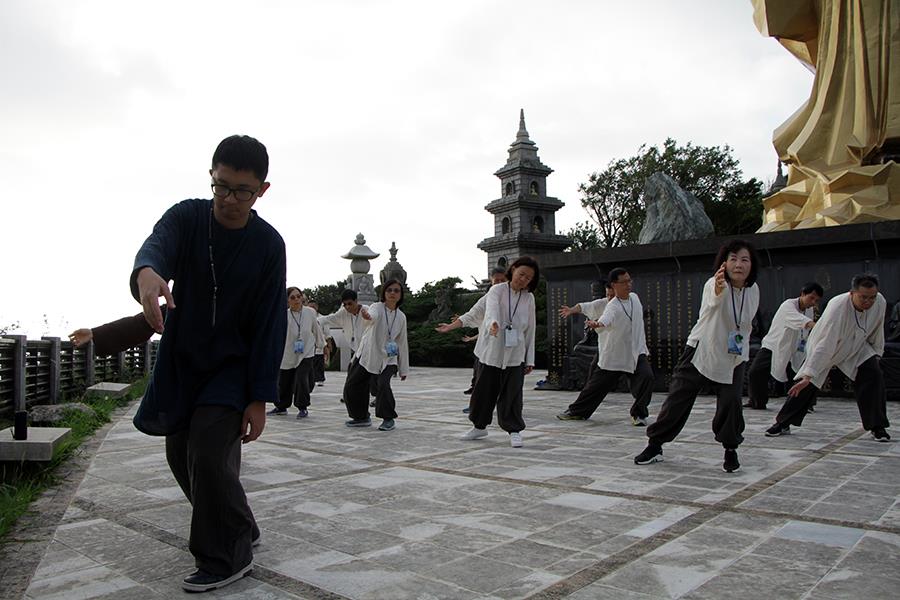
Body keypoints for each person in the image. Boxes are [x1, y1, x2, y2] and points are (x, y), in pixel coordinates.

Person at [130, 134, 286, 592]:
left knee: (208, 451)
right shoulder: (188, 217)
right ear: (212, 177)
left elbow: (270, 323)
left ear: (262, 190)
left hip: (232, 368)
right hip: (184, 361)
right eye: (221, 186)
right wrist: (147, 273)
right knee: (180, 453)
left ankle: (226, 557)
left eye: (242, 191)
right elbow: (157, 246)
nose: (229, 199)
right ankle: (240, 527)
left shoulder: (268, 244)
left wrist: (259, 397)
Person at [634, 240, 760, 473]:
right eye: (733, 259)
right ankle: (655, 444)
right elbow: (714, 300)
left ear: (752, 265)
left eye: (745, 260)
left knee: (731, 403)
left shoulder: (753, 290)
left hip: (733, 355)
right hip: (702, 349)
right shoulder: (714, 283)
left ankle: (730, 449)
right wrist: (720, 288)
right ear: (724, 263)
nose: (739, 265)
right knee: (678, 398)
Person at [764, 274, 891, 441]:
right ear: (852, 293)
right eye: (863, 297)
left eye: (872, 297)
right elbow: (825, 344)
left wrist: (876, 352)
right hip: (827, 346)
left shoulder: (880, 301)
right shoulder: (837, 307)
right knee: (806, 383)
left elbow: (878, 329)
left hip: (857, 346)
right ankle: (782, 423)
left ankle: (877, 426)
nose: (868, 302)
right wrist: (808, 375)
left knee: (873, 374)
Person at [556, 268, 654, 426]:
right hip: (614, 354)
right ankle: (577, 411)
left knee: (646, 377)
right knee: (597, 386)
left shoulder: (635, 298)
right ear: (614, 285)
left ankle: (639, 414)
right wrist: (598, 323)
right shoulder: (611, 305)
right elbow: (605, 317)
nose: (628, 284)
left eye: (629, 281)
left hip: (636, 351)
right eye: (624, 282)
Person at [460, 256, 538, 448]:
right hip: (492, 351)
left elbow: (530, 329)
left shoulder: (529, 298)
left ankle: (514, 430)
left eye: (528, 278)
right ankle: (479, 427)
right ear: (513, 270)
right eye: (521, 274)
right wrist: (493, 323)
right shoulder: (497, 290)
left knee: (512, 394)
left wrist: (529, 359)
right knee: (483, 391)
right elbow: (492, 310)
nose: (523, 279)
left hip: (515, 354)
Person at [435, 266, 508, 412]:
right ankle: (476, 408)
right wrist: (450, 327)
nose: (499, 284)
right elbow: (471, 315)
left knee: (506, 382)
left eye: (503, 280)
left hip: (509, 349)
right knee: (481, 380)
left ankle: (505, 408)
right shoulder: (486, 299)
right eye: (496, 281)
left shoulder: (516, 298)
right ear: (491, 281)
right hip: (487, 349)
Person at [343, 279, 409, 430]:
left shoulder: (401, 317)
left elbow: (402, 343)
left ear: (400, 294)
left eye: (396, 290)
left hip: (388, 358)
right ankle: (361, 417)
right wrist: (367, 316)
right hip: (367, 355)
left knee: (383, 384)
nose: (392, 293)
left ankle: (388, 418)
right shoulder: (376, 307)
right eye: (389, 290)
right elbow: (372, 316)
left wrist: (403, 368)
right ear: (384, 293)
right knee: (352, 386)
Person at [745, 282, 823, 410]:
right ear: (803, 294)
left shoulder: (809, 310)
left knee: (801, 374)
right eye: (811, 298)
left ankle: (805, 404)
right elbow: (797, 319)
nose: (813, 302)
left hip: (796, 348)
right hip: (774, 345)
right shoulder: (788, 305)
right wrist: (816, 327)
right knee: (756, 371)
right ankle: (757, 401)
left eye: (816, 300)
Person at [269, 288, 323, 418]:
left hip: (306, 351)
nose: (297, 300)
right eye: (293, 297)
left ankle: (302, 406)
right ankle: (281, 406)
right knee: (284, 381)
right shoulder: (283, 315)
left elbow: (316, 329)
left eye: (299, 296)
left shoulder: (310, 312)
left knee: (301, 378)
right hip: (288, 353)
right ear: (287, 300)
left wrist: (322, 345)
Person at [559, 281, 615, 383]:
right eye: (608, 295)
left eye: (613, 295)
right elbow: (583, 306)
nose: (610, 298)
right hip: (606, 347)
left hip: (623, 347)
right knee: (594, 369)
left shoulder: (629, 302)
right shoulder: (603, 303)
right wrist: (571, 310)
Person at [307, 300, 330, 387]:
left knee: (319, 363)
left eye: (313, 306)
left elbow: (327, 333)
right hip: (309, 345)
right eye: (310, 307)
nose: (312, 308)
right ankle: (311, 379)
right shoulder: (305, 317)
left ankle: (320, 379)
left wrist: (328, 345)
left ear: (317, 307)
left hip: (320, 344)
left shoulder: (322, 318)